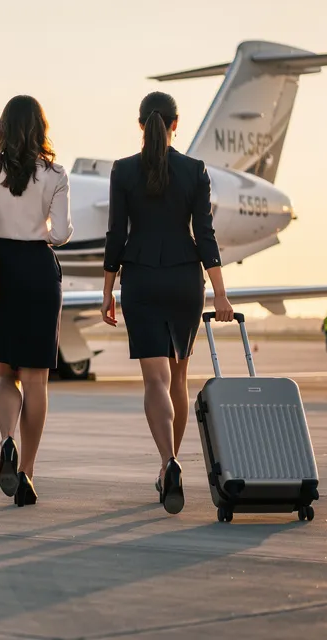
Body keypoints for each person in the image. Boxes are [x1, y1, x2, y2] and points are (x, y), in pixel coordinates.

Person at [102, 91, 232, 516]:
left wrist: (108, 290)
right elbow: (205, 235)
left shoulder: (123, 171)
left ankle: (167, 463)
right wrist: (221, 292)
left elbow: (115, 237)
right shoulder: (195, 171)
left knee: (154, 381)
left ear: (141, 125)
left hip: (140, 278)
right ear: (176, 124)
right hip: (184, 282)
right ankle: (169, 467)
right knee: (179, 376)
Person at [0, 96, 72, 507]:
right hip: (39, 273)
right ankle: (26, 472)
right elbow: (61, 234)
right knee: (37, 380)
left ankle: (6, 439)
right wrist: (38, 226)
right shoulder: (56, 174)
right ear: (40, 128)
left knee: (5, 372)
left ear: (3, 126)